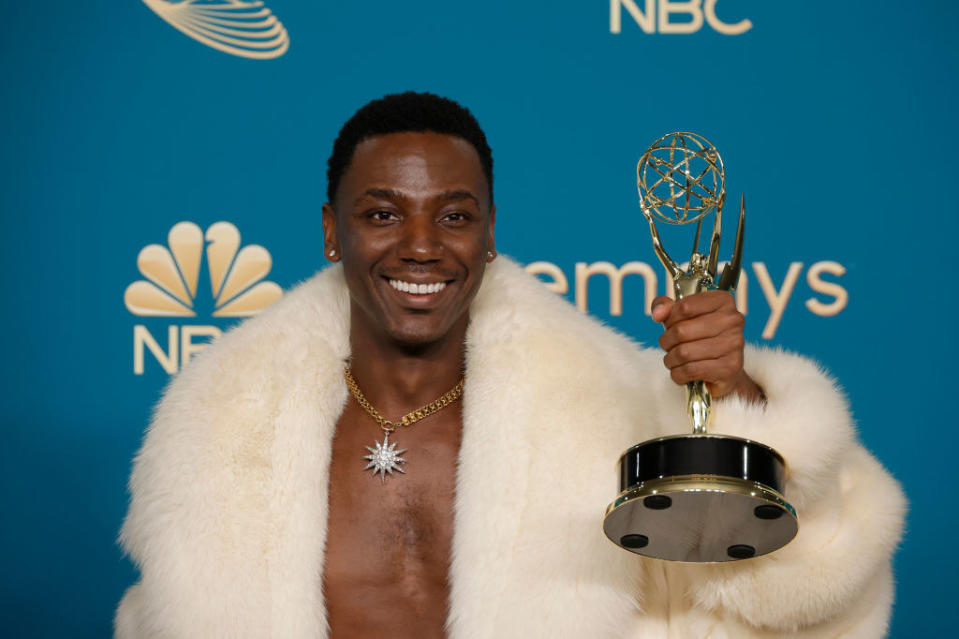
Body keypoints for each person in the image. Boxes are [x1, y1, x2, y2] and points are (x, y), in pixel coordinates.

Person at [114, 92, 905, 638]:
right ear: (332, 232)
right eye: (382, 213)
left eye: (453, 216)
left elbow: (800, 596)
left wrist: (731, 397)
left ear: (490, 232)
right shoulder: (218, 436)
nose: (421, 245)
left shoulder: (606, 404)